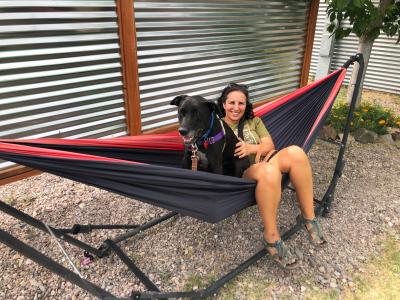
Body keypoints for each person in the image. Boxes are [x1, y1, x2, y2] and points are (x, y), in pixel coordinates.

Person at [217, 83, 326, 269]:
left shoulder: (254, 121)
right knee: (269, 171)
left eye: (241, 103)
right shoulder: (217, 126)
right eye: (231, 103)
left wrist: (250, 148)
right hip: (244, 171)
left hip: (267, 159)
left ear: (246, 105)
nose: (236, 108)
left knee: (297, 152)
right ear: (223, 104)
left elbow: (268, 145)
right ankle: (271, 236)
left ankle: (308, 217)